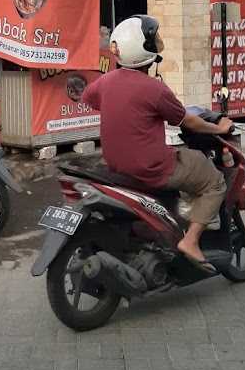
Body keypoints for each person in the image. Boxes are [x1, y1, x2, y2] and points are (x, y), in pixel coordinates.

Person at [82, 15, 231, 270]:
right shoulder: (154, 89)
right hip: (153, 168)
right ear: (143, 49)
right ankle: (191, 241)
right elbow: (188, 122)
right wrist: (219, 127)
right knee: (213, 180)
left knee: (179, 159)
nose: (157, 43)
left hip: (118, 167)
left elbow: (89, 98)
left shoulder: (104, 83)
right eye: (153, 39)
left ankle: (168, 225)